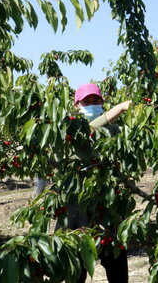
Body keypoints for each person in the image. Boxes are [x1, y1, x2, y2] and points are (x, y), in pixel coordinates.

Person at [66, 83, 132, 283]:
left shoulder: (114, 130)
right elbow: (90, 130)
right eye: (86, 101)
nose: (92, 105)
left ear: (102, 103)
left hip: (107, 204)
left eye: (96, 101)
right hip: (77, 205)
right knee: (77, 265)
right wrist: (119, 108)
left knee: (116, 266)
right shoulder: (70, 128)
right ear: (76, 105)